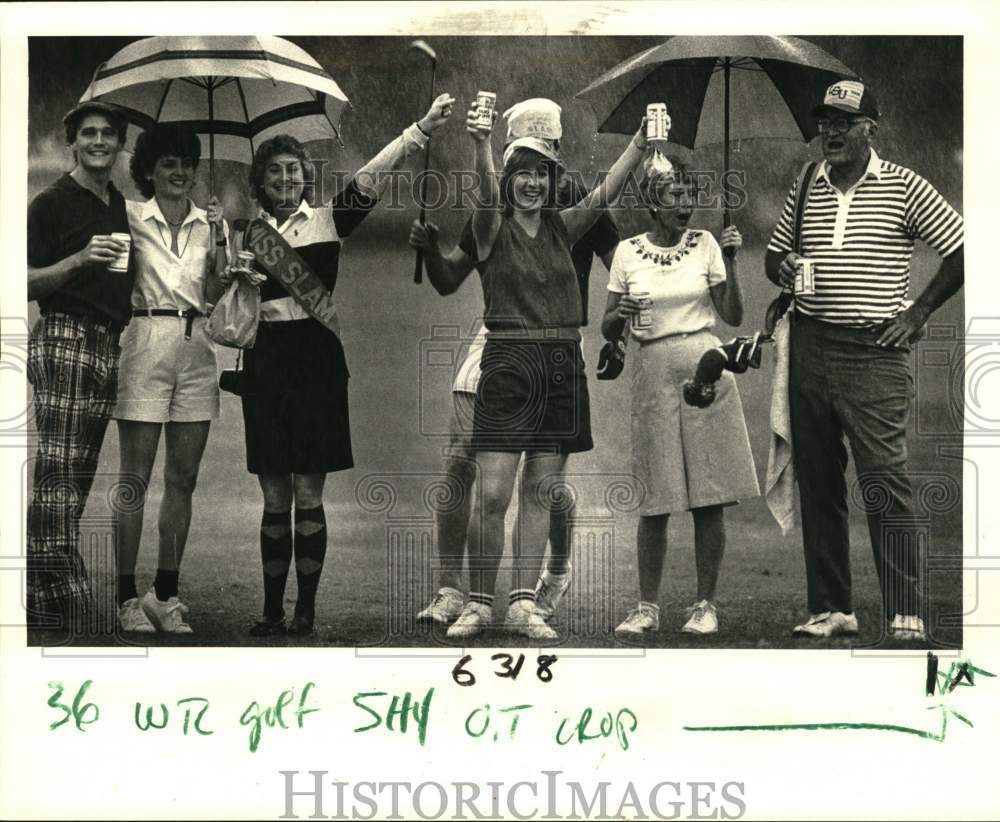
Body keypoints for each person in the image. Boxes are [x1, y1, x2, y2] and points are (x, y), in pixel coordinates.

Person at [420, 101, 644, 641]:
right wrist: (479, 144)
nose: (532, 184)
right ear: (509, 176)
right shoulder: (490, 225)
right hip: (509, 364)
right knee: (493, 494)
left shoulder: (563, 228)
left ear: (551, 179)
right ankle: (478, 604)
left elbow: (605, 193)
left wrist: (639, 144)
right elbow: (483, 194)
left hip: (562, 366)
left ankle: (522, 606)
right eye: (523, 173)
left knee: (541, 492)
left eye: (541, 174)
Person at [240, 93, 455, 637]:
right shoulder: (242, 235)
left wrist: (420, 130)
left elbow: (375, 174)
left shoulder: (330, 220)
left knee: (309, 492)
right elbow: (227, 307)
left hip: (315, 362)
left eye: (294, 171)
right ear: (260, 182)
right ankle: (270, 609)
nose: (286, 179)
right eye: (275, 172)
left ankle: (305, 609)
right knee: (273, 495)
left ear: (304, 178)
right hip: (264, 362)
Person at [764, 80, 964, 641]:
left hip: (875, 352)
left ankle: (905, 609)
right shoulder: (806, 182)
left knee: (883, 479)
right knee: (819, 479)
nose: (828, 132)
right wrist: (780, 267)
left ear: (869, 129)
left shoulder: (903, 186)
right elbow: (778, 252)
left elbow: (964, 250)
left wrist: (918, 312)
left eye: (842, 123)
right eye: (823, 122)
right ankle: (832, 607)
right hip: (810, 342)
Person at [606, 161, 759, 639]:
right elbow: (608, 325)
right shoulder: (627, 252)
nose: (684, 205)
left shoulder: (708, 244)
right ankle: (646, 607)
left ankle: (705, 605)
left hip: (705, 364)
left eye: (689, 196)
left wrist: (732, 261)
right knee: (654, 496)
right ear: (653, 203)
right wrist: (621, 314)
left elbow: (732, 315)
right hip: (650, 370)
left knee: (708, 495)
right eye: (673, 196)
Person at [111, 124, 229, 634]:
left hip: (197, 346)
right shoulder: (130, 218)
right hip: (144, 340)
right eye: (168, 164)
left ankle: (165, 593)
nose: (179, 172)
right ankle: (125, 598)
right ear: (150, 170)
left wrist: (225, 239)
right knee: (134, 479)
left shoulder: (210, 224)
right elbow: (115, 282)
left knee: (183, 479)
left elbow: (219, 288)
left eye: (186, 163)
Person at [26, 101, 134, 628]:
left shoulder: (116, 202)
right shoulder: (51, 202)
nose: (97, 142)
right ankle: (60, 595)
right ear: (73, 141)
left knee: (78, 473)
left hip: (106, 343)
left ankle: (44, 592)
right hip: (65, 335)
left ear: (120, 144)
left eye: (107, 134)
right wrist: (75, 262)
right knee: (57, 472)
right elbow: (19, 280)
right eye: (88, 133)